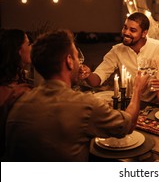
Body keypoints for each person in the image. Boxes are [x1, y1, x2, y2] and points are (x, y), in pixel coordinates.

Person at [5, 29, 149, 161]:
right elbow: (127, 125)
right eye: (75, 57)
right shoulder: (85, 104)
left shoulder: (19, 102)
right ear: (69, 61)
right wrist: (137, 90)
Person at [80, 12, 159, 103]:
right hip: (126, 103)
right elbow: (96, 81)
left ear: (144, 33)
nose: (126, 32)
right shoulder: (117, 51)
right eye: (125, 28)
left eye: (132, 30)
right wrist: (87, 74)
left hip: (153, 106)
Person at [0, 29, 33, 158]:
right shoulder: (9, 92)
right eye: (29, 44)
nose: (32, 47)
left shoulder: (18, 78)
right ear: (19, 51)